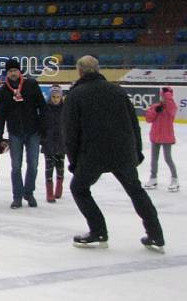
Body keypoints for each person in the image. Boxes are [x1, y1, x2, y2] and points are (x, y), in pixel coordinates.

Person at [63, 55, 165, 252]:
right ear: (98, 69)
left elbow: (70, 132)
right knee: (136, 191)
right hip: (123, 152)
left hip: (92, 153)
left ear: (80, 72)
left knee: (79, 188)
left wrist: (73, 160)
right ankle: (156, 235)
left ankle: (98, 231)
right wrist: (137, 151)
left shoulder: (76, 95)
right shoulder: (117, 91)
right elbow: (134, 123)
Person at [0, 58, 46, 208]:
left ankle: (29, 193)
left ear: (20, 71)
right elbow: (1, 115)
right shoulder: (3, 91)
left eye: (15, 70)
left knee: (33, 164)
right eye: (10, 71)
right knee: (16, 166)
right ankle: (17, 196)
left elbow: (42, 107)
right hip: (15, 133)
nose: (13, 73)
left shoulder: (31, 85)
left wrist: (44, 128)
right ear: (7, 73)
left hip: (33, 132)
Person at [144, 87, 179, 192]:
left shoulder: (171, 108)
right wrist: (155, 111)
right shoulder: (155, 106)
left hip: (166, 137)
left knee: (168, 158)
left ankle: (174, 179)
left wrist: (167, 94)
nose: (162, 98)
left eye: (164, 96)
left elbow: (171, 107)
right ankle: (153, 178)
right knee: (154, 159)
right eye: (162, 96)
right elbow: (148, 119)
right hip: (155, 136)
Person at [41, 84, 66, 203]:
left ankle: (59, 186)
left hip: (62, 143)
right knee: (49, 168)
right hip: (48, 143)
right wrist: (43, 139)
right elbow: (41, 125)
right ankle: (49, 192)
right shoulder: (45, 109)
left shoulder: (66, 109)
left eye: (58, 97)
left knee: (60, 167)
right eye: (54, 97)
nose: (56, 99)